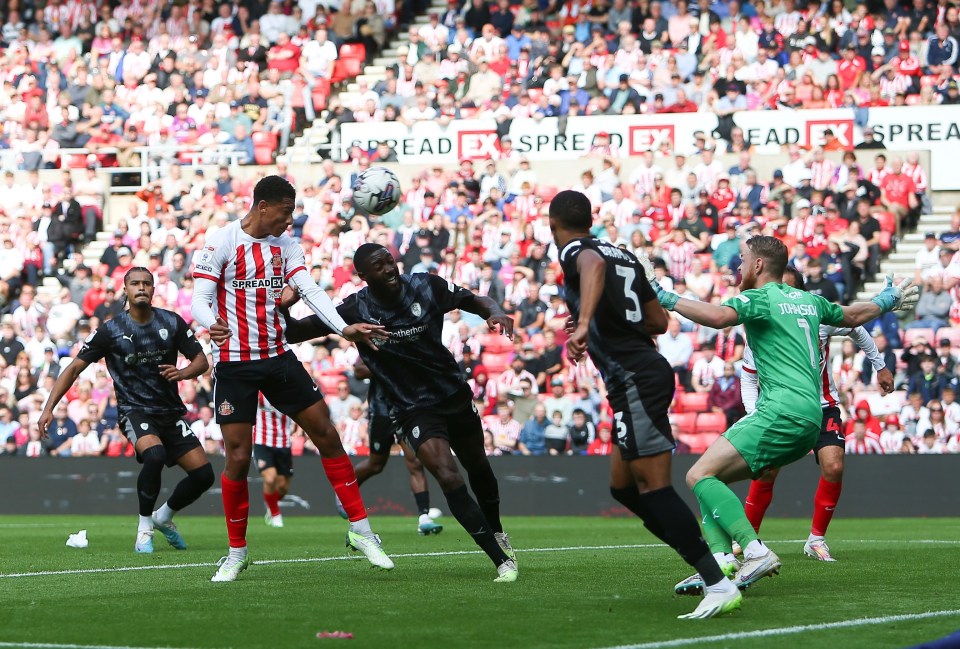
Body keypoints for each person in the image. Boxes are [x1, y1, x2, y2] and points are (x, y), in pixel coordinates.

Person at [651, 235, 917, 593]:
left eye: (743, 259)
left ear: (758, 265)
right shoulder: (810, 301)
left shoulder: (759, 298)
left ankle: (753, 550)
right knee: (711, 478)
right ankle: (720, 563)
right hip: (811, 419)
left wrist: (664, 296)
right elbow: (855, 316)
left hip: (780, 411)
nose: (739, 266)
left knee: (698, 475)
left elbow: (716, 317)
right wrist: (889, 299)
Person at [549, 189, 742, 620]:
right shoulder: (625, 256)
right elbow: (658, 321)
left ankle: (716, 579)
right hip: (639, 376)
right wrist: (596, 317)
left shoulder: (578, 250)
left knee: (654, 487)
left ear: (553, 223)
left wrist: (583, 324)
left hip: (635, 378)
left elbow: (592, 266)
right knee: (623, 487)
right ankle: (696, 553)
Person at [190, 175, 393, 582]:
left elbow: (311, 289)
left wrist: (342, 327)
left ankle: (362, 531)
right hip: (234, 362)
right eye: (285, 213)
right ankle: (236, 552)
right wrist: (211, 322)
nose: (289, 221)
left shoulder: (287, 246)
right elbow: (200, 298)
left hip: (278, 356)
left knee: (326, 434)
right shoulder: (221, 242)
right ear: (263, 206)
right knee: (238, 457)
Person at [280, 242, 519, 582]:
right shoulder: (354, 308)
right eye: (379, 265)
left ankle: (496, 530)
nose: (389, 268)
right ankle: (501, 561)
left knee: (477, 465)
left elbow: (474, 300)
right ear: (363, 276)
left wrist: (493, 311)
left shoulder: (426, 285)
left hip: (452, 394)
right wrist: (284, 307)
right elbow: (295, 332)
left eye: (389, 260)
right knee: (448, 476)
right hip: (412, 408)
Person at [38, 268, 215, 554]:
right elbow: (73, 368)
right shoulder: (110, 331)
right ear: (126, 289)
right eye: (135, 283)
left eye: (147, 283)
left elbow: (201, 361)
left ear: (154, 288)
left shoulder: (172, 322)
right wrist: (49, 408)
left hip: (169, 412)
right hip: (135, 411)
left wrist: (182, 374)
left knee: (204, 476)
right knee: (154, 455)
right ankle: (145, 526)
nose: (141, 287)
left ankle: (164, 517)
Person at [739, 266, 895, 562]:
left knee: (834, 467)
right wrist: (752, 413)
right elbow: (748, 375)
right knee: (766, 470)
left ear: (802, 293)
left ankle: (816, 539)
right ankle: (747, 541)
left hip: (823, 406)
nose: (783, 296)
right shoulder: (763, 326)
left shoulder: (817, 317)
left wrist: (879, 364)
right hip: (780, 409)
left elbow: (856, 327)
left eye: (789, 289)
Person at [335, 362, 444, 537]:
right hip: (381, 411)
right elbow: (358, 371)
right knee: (376, 464)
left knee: (415, 462)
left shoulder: (405, 340)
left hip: (405, 410)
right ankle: (343, 492)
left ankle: (424, 517)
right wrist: (390, 365)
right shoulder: (374, 341)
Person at [254, 394, 295, 529]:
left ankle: (270, 504)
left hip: (284, 443)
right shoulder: (257, 392)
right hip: (262, 442)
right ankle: (276, 514)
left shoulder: (288, 391)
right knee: (270, 478)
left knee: (283, 487)